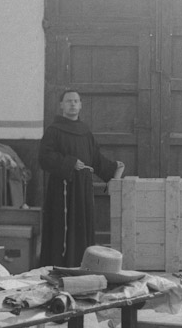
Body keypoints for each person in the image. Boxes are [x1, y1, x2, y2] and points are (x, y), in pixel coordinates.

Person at [38, 89, 125, 267]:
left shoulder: (85, 132)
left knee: (81, 227)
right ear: (61, 105)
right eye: (68, 101)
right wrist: (70, 163)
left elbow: (95, 158)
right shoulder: (54, 130)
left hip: (83, 188)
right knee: (62, 228)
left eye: (76, 101)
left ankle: (81, 265)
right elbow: (44, 157)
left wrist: (112, 168)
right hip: (62, 188)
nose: (72, 104)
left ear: (81, 105)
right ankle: (60, 265)